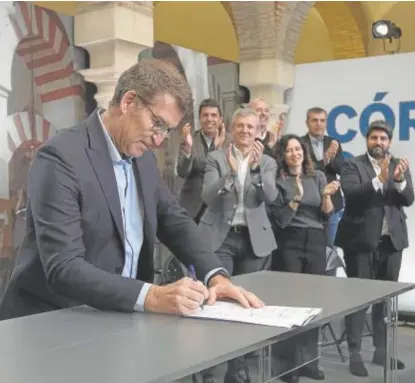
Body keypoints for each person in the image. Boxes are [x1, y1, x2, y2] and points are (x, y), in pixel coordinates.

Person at [0, 60, 262, 323]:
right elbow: (64, 266)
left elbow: (174, 220)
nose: (159, 140)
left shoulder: (143, 158)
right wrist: (152, 296)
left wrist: (215, 275)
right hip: (53, 320)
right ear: (128, 102)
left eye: (167, 130)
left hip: (117, 316)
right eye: (157, 123)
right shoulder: (60, 157)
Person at [199, 107, 279, 383]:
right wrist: (230, 175)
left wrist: (254, 170)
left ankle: (237, 370)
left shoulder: (267, 162)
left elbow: (269, 195)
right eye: (240, 126)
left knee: (247, 307)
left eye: (251, 127)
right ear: (232, 130)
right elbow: (208, 196)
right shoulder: (215, 158)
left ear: (259, 132)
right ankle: (208, 370)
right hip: (220, 238)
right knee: (216, 303)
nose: (245, 131)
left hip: (253, 240)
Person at [335, 120, 414, 377]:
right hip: (360, 243)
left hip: (391, 243)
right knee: (358, 300)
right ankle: (355, 353)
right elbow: (352, 195)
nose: (378, 142)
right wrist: (379, 180)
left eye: (383, 138)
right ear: (367, 140)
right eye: (374, 138)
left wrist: (399, 181)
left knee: (384, 301)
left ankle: (381, 350)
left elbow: (408, 199)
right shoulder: (352, 164)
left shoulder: (398, 164)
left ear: (389, 142)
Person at [269, 134, 340, 382]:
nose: (294, 154)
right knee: (292, 303)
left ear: (304, 152)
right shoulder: (278, 179)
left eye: (297, 149)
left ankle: (309, 361)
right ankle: (288, 367)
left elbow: (327, 214)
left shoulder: (317, 175)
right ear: (282, 155)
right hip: (289, 241)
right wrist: (296, 197)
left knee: (312, 304)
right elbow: (280, 220)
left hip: (316, 240)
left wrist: (327, 196)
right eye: (288, 150)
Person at [300, 108, 346, 245]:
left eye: (322, 120)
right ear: (307, 123)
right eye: (314, 120)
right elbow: (303, 170)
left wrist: (332, 158)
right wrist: (324, 160)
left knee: (330, 249)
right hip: (308, 204)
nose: (318, 124)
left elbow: (341, 169)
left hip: (332, 203)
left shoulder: (334, 142)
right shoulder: (299, 143)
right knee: (310, 247)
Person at [177, 98, 226, 223]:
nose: (209, 119)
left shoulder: (230, 141)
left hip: (219, 208)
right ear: (199, 119)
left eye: (213, 115)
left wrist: (217, 148)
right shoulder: (190, 139)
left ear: (220, 119)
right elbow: (182, 172)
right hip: (192, 208)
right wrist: (188, 148)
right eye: (205, 115)